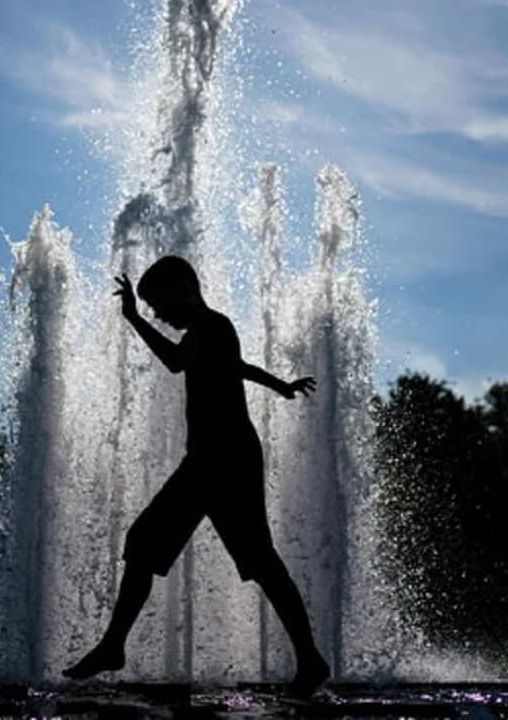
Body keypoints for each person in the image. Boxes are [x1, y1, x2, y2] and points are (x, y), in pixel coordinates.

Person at [62, 255, 331, 695]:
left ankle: (310, 657)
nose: (158, 314)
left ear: (185, 287)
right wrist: (279, 384)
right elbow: (235, 368)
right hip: (210, 459)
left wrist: (131, 319)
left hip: (225, 459)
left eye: (158, 304)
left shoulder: (211, 326)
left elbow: (174, 361)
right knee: (147, 543)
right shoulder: (210, 332)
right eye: (150, 308)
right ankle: (113, 645)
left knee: (255, 559)